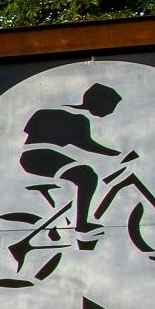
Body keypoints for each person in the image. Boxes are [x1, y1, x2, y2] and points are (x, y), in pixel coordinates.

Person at [20, 83, 130, 230]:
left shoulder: (50, 111)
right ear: (100, 103)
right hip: (40, 156)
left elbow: (29, 131)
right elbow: (86, 144)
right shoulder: (79, 119)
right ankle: (82, 224)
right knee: (87, 176)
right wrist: (116, 154)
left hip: (31, 155)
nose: (111, 111)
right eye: (110, 106)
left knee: (82, 173)